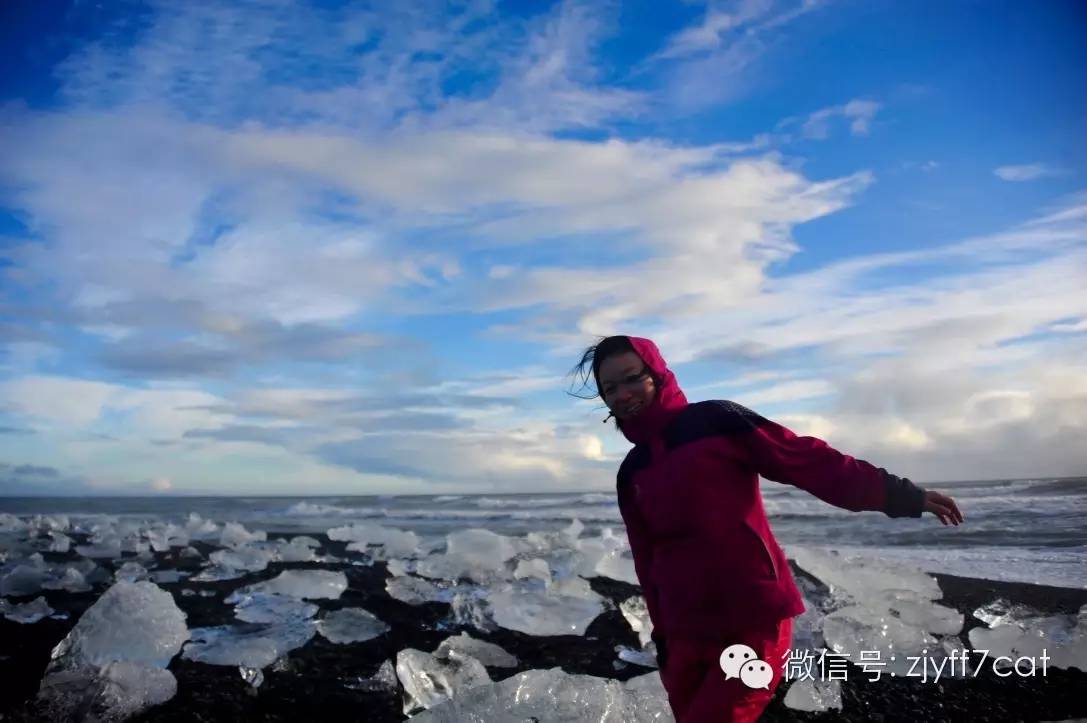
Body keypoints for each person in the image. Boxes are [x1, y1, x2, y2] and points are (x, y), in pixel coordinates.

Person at [569, 335, 964, 723]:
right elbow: (648, 562)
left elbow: (808, 462)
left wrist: (898, 495)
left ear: (656, 372)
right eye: (610, 388)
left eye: (632, 377)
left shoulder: (715, 422)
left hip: (752, 617)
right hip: (685, 633)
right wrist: (665, 640)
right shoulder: (632, 473)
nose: (623, 393)